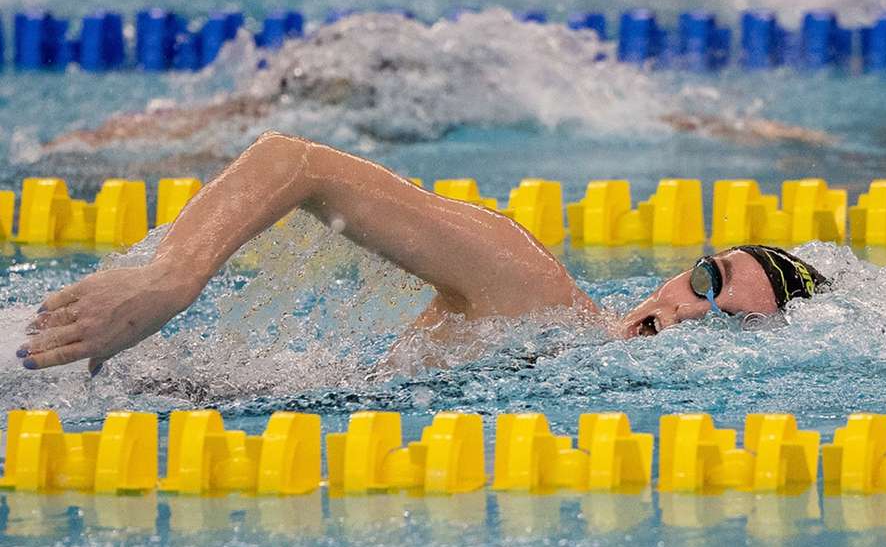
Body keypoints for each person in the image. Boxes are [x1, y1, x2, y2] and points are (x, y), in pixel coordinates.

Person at [16, 131, 826, 375]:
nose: (689, 309)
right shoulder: (534, 292)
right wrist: (171, 275)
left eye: (729, 322)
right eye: (708, 279)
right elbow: (293, 162)